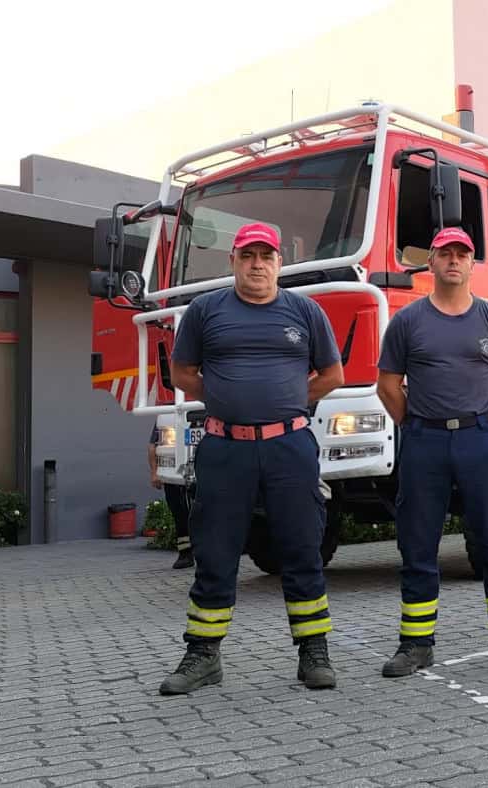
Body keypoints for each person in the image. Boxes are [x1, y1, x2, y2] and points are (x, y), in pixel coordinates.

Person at [158, 221, 345, 695]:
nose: (257, 264)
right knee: (215, 551)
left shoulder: (305, 311)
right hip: (225, 448)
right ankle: (203, 655)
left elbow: (332, 374)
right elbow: (183, 373)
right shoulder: (205, 311)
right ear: (233, 262)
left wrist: (288, 401)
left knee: (302, 549)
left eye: (265, 256)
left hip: (290, 447)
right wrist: (226, 398)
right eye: (247, 256)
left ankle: (313, 652)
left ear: (280, 262)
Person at [376, 227, 488, 678]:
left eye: (462, 254)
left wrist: (486, 425)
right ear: (432, 262)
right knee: (418, 544)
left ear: (472, 263)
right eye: (445, 253)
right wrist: (415, 426)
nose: (454, 260)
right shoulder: (407, 321)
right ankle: (416, 645)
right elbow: (387, 386)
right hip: (424, 441)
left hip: (479, 439)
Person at [148, 421, 193, 569]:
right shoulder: (166, 417)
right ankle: (185, 552)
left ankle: (194, 553)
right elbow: (152, 446)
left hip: (188, 469)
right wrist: (155, 473)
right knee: (179, 512)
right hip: (174, 471)